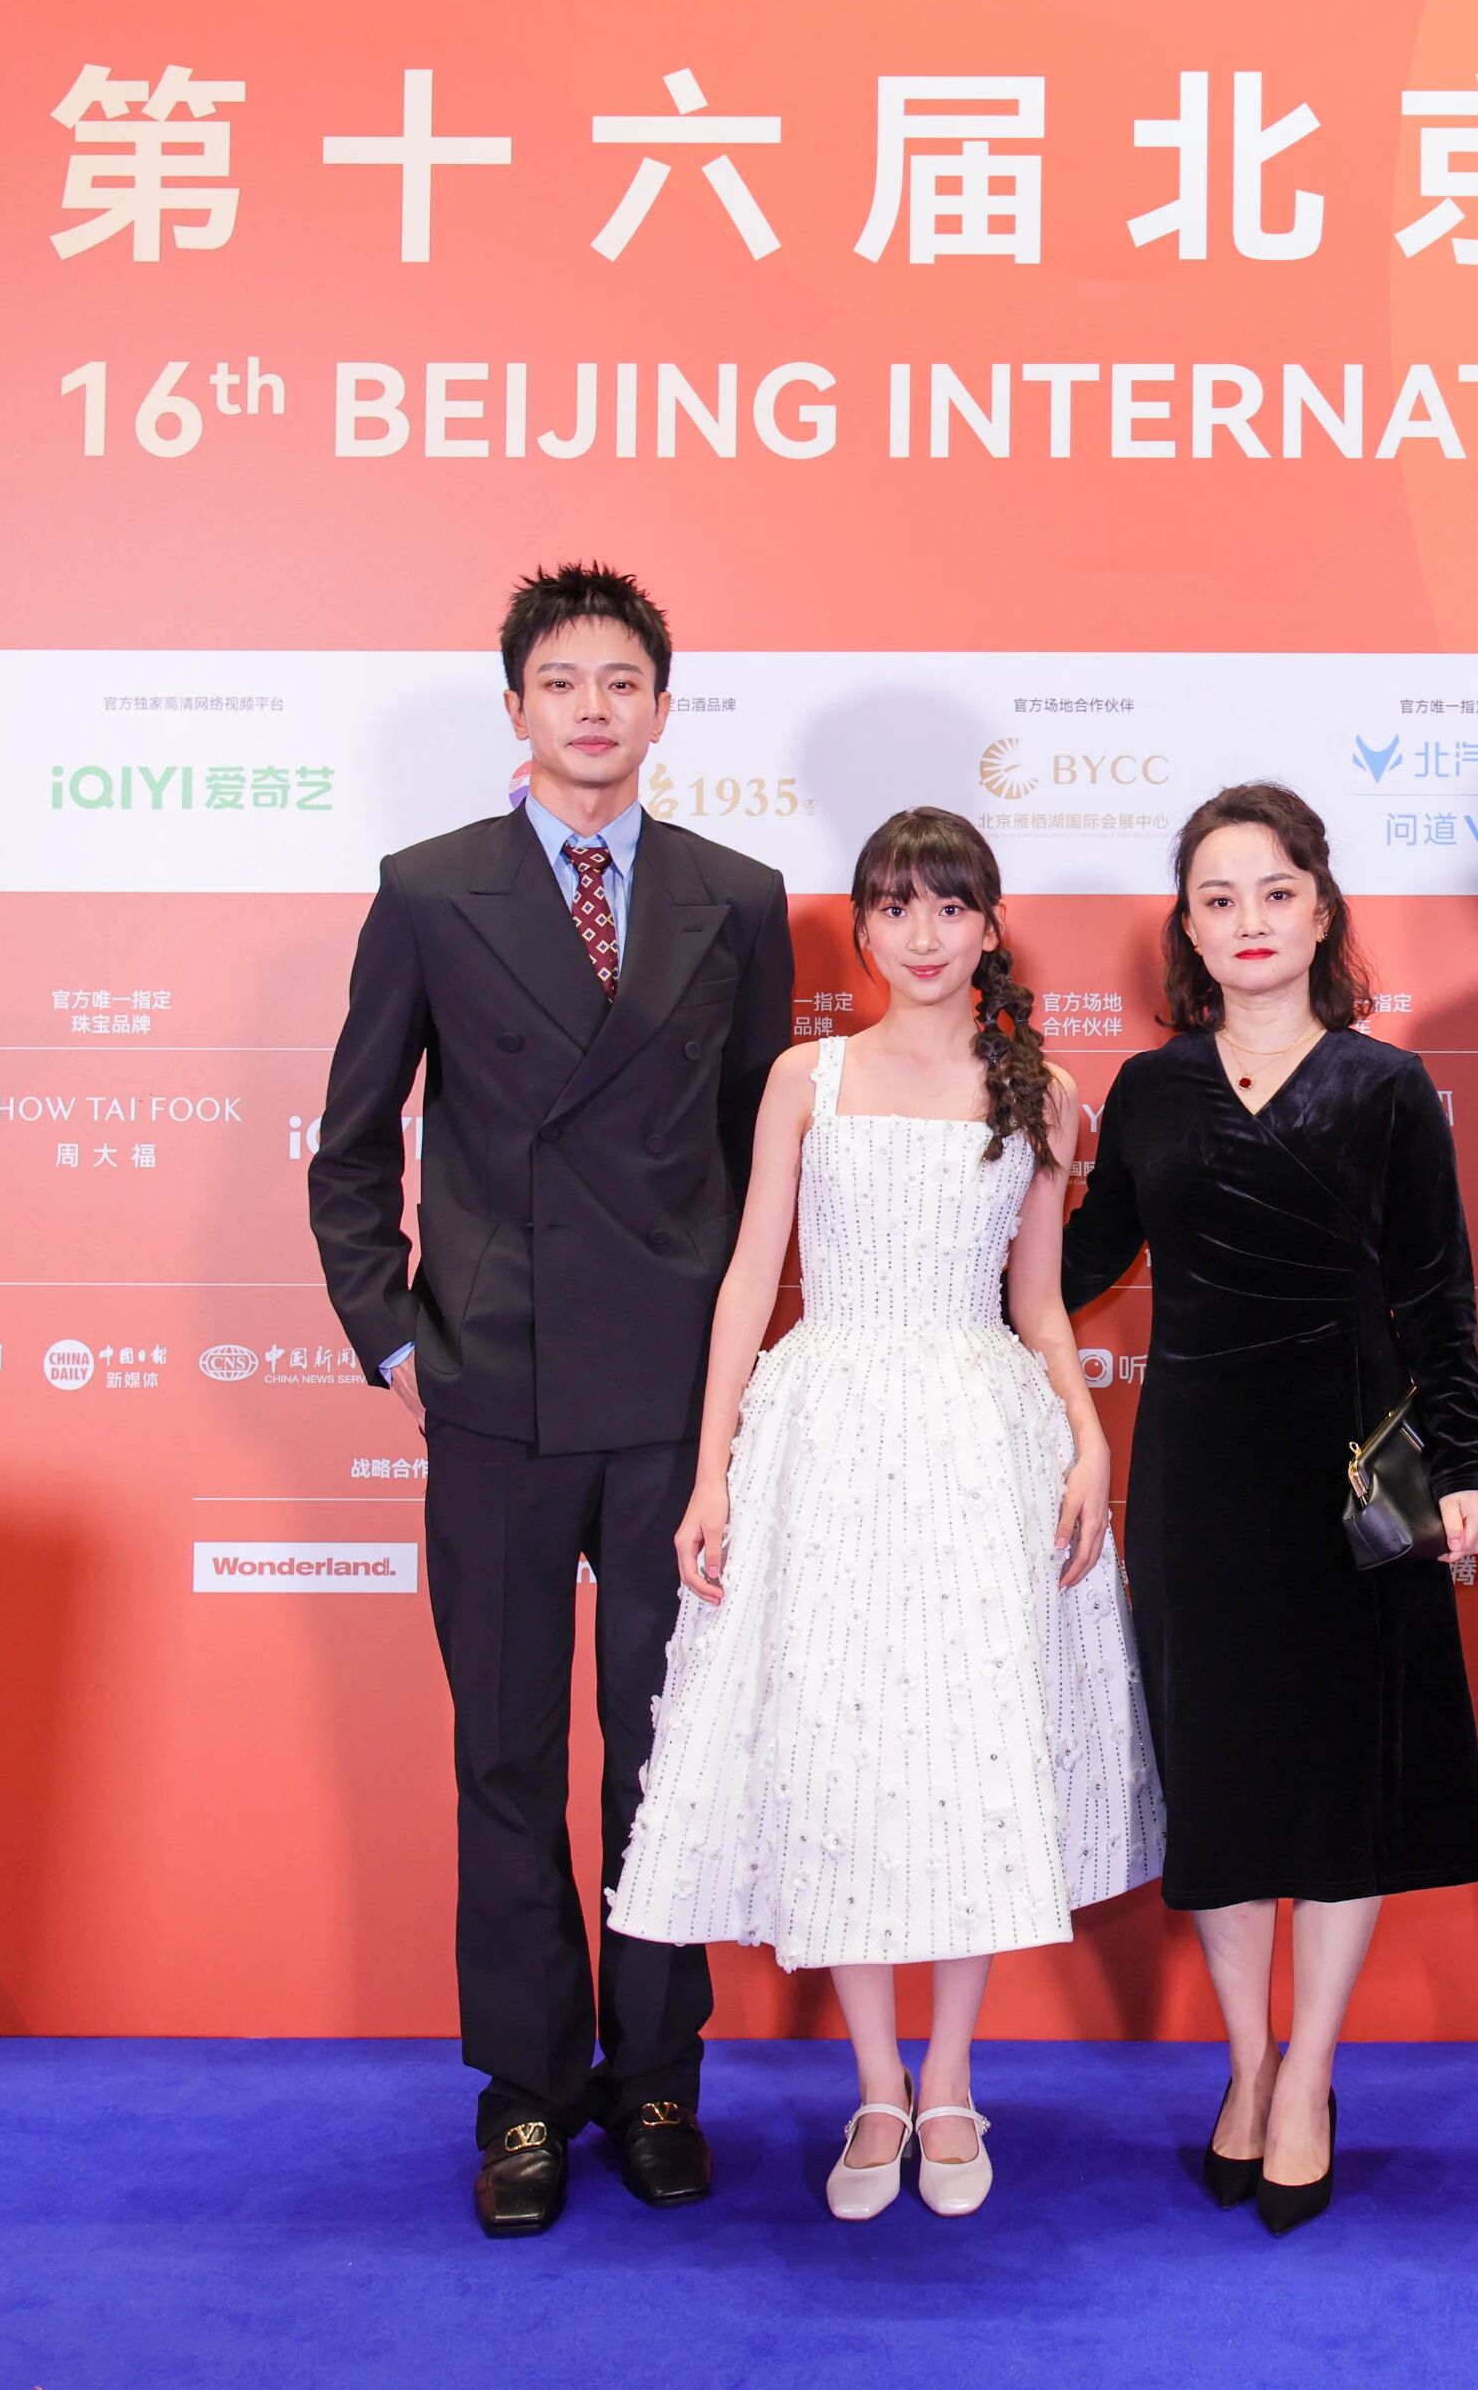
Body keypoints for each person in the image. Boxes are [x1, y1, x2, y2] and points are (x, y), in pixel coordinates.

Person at [311, 564, 794, 2236]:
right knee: (507, 1752)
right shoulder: (428, 890)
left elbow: (759, 1160)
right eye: (563, 681)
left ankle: (658, 2077)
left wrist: (737, 1374)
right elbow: (352, 1143)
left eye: (622, 681)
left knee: (665, 1752)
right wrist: (399, 1341)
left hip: (672, 1397)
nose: (594, 707)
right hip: (496, 1384)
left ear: (663, 706)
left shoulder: (738, 897)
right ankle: (524, 2091)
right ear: (516, 706)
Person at [606, 807, 1160, 2221]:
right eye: (897, 906)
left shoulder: (1043, 1094)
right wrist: (713, 1468)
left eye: (950, 906)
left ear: (990, 927)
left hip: (982, 1436)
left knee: (971, 1751)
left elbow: (1042, 1304)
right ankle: (874, 2086)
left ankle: (953, 2078)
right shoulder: (808, 1077)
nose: (924, 934)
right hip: (827, 1434)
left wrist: (1088, 1438)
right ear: (860, 928)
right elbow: (750, 1281)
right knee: (841, 1748)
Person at [1060, 782, 1478, 2235]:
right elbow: (1073, 1271)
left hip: (1354, 1471)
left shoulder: (1386, 1089)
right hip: (1198, 1475)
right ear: (1187, 931)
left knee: (1339, 1780)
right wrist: (986, 1176)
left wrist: (1469, 1466)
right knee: (1223, 1779)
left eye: (1274, 891)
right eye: (1218, 898)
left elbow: (1439, 1299)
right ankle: (1246, 2061)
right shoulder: (1149, 1091)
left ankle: (1310, 2070)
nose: (1248, 920)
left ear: (1321, 909)